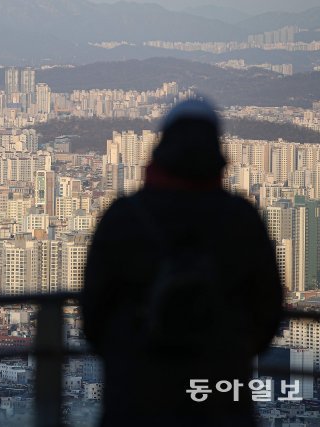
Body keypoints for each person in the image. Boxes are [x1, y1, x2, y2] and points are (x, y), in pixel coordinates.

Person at [81, 99, 283, 426]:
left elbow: (93, 312)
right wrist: (230, 345)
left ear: (161, 148)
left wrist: (129, 347)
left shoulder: (124, 217)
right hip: (219, 391)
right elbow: (268, 309)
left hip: (138, 390)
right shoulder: (242, 219)